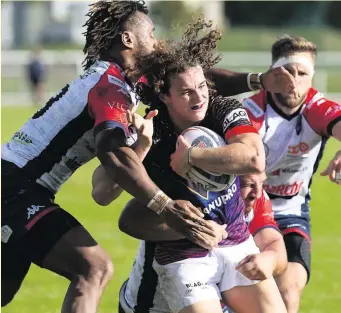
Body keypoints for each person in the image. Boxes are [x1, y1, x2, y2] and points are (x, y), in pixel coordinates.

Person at [2, 1, 222, 311]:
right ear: (129, 39)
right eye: (152, 33)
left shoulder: (125, 81)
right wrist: (165, 205)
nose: (157, 41)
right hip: (13, 189)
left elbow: (189, 77)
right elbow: (116, 157)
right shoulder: (110, 86)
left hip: (17, 188)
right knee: (93, 268)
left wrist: (258, 82)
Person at [92, 18, 286, 313]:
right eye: (186, 92)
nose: (199, 98)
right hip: (182, 255)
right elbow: (103, 195)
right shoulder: (151, 130)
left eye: (201, 87)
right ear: (165, 96)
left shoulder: (222, 109)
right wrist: (140, 147)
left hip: (235, 243)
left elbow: (253, 158)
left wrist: (192, 157)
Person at [239, 35, 341, 313]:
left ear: (312, 76)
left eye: (303, 73)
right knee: (240, 293)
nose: (294, 81)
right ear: (273, 73)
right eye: (288, 72)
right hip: (245, 210)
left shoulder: (315, 107)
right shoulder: (251, 111)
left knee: (288, 289)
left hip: (291, 213)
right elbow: (245, 150)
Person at [92, 171, 288, 313]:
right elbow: (128, 221)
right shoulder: (183, 200)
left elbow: (273, 243)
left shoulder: (253, 197)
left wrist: (269, 260)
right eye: (246, 183)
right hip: (152, 306)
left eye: (261, 183)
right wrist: (195, 229)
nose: (256, 193)